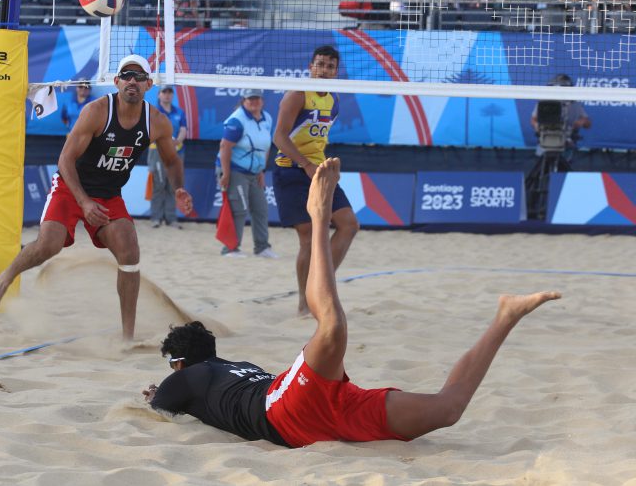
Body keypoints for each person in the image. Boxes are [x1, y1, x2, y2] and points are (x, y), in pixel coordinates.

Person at [144, 157, 563, 448]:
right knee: (446, 409)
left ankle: (318, 213)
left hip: (288, 413)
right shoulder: (231, 369)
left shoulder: (187, 376)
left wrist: (155, 393)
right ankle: (505, 315)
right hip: (324, 407)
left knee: (332, 327)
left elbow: (159, 409)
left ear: (178, 363)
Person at [0, 55, 194, 340]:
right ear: (116, 81)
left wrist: (179, 188)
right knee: (49, 244)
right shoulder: (96, 112)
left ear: (148, 84)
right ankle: (6, 277)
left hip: (108, 194)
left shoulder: (157, 121)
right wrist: (83, 201)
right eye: (126, 75)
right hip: (71, 188)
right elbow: (65, 160)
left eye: (138, 76)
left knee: (130, 252)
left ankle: (127, 337)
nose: (132, 81)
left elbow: (171, 161)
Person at [272, 45, 358, 316]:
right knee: (308, 237)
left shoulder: (332, 100)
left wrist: (320, 166)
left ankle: (319, 284)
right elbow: (279, 137)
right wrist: (306, 164)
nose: (324, 70)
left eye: (330, 66)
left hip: (317, 170)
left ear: (336, 71)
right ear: (310, 66)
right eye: (320, 64)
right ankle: (304, 301)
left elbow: (316, 138)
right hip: (291, 170)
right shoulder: (298, 93)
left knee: (349, 224)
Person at [215, 88, 277, 259]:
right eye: (250, 98)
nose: (253, 101)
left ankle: (262, 247)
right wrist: (226, 174)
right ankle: (230, 249)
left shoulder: (267, 119)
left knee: (261, 208)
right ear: (243, 100)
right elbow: (225, 147)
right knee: (239, 209)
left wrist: (261, 170)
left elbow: (266, 146)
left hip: (255, 172)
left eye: (256, 98)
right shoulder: (237, 120)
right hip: (234, 170)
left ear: (262, 100)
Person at [148, 85, 187, 229]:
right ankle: (156, 218)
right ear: (159, 95)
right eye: (164, 92)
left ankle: (171, 219)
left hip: (176, 151)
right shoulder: (153, 112)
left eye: (170, 92)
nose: (167, 95)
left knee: (174, 186)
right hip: (157, 151)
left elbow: (183, 129)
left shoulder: (179, 112)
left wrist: (178, 140)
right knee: (158, 184)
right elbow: (149, 131)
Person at [530, 74, 591, 155]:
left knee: (564, 162)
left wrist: (581, 122)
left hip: (566, 142)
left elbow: (588, 123)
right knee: (543, 163)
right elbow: (533, 119)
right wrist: (537, 126)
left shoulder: (575, 104)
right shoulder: (544, 103)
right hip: (546, 141)